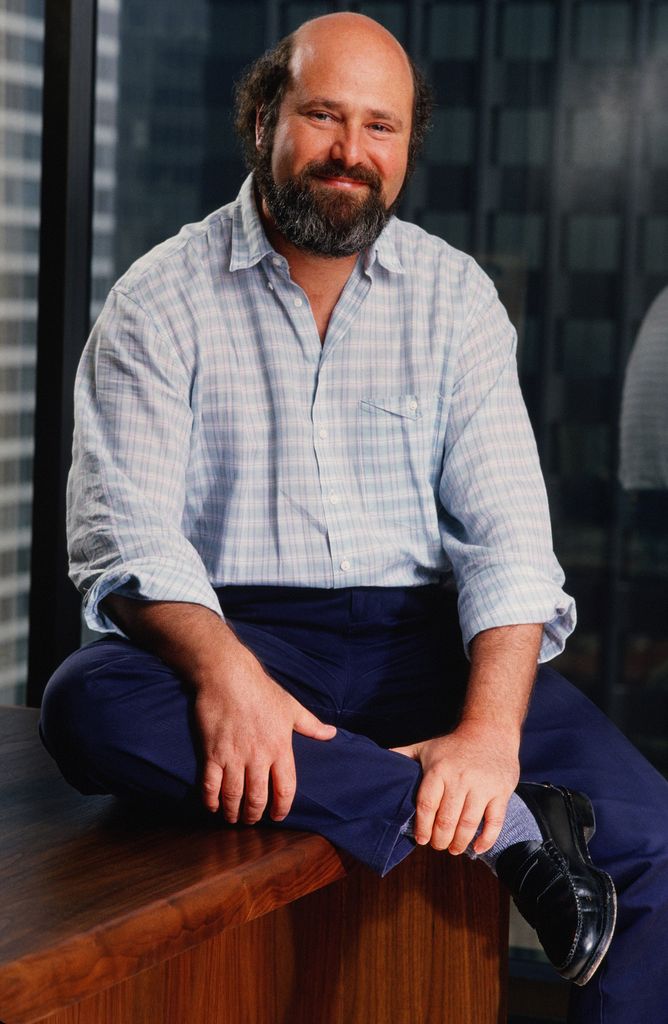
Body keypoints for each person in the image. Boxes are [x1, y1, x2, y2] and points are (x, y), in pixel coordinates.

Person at [40, 13, 668, 1022]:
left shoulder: (452, 298)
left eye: (381, 126)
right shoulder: (158, 298)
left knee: (647, 831)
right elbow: (127, 538)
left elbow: (507, 544)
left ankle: (456, 787)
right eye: (322, 115)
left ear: (410, 145)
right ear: (261, 121)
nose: (350, 152)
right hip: (245, 635)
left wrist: (485, 735)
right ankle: (510, 832)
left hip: (423, 648)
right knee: (89, 704)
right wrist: (227, 675)